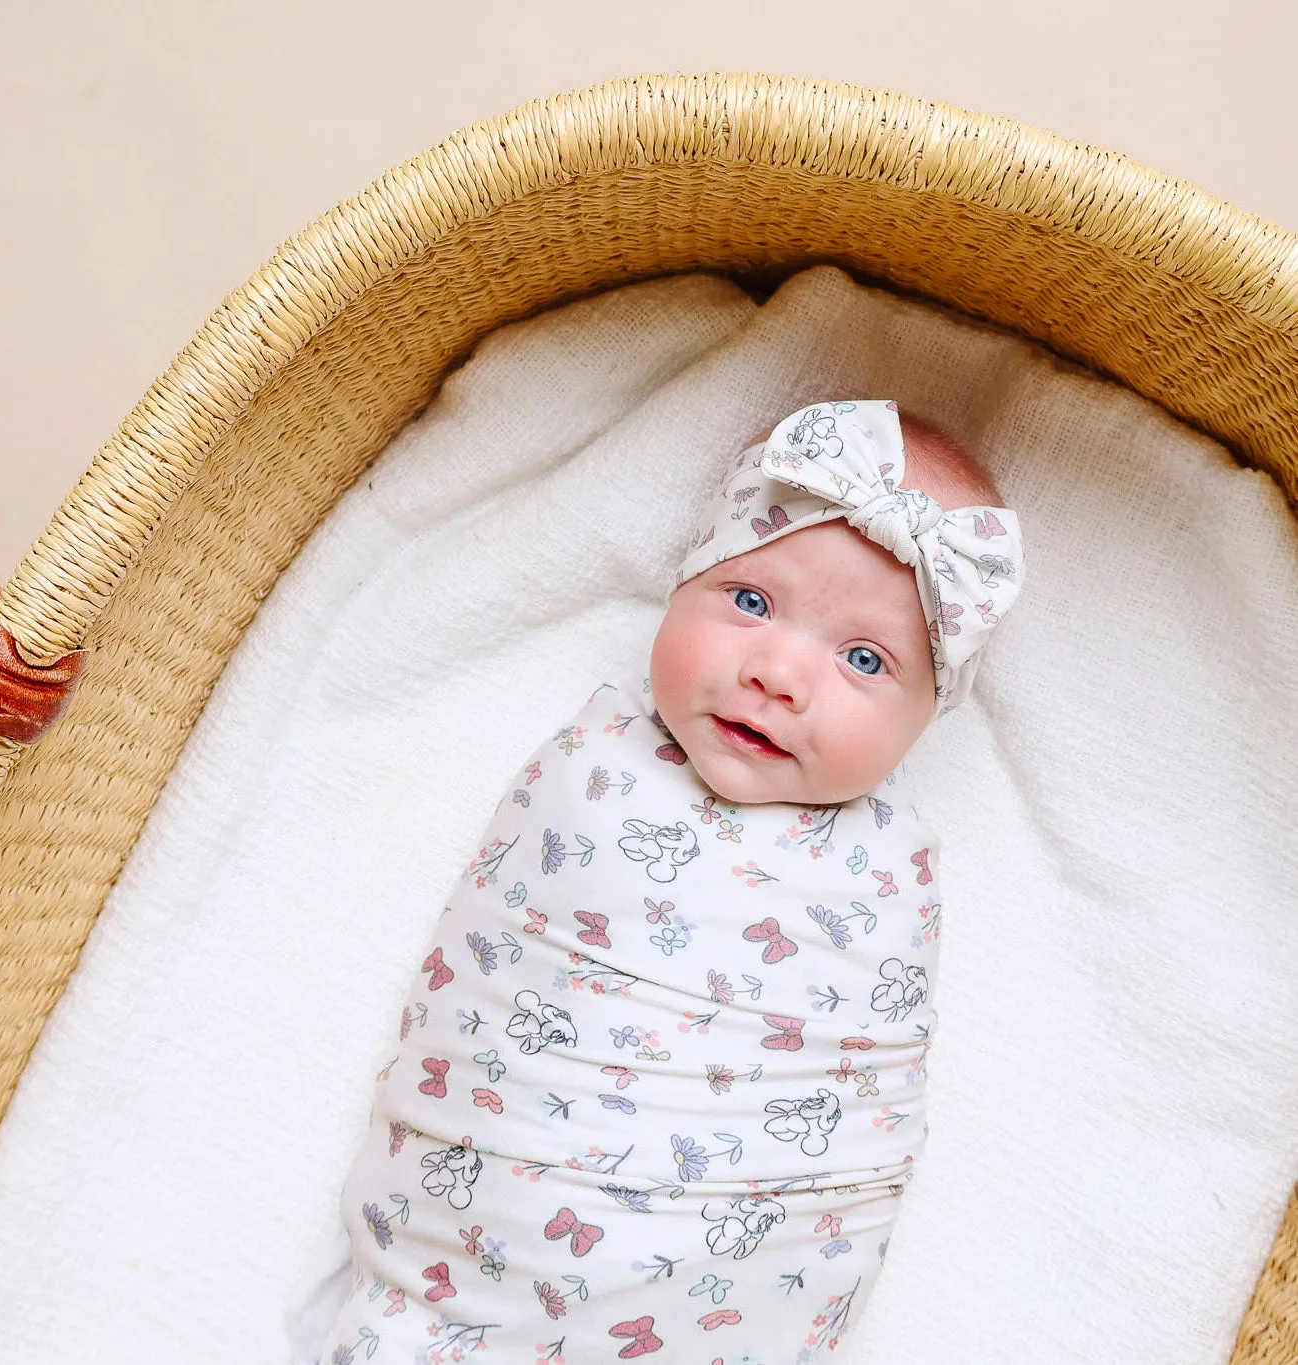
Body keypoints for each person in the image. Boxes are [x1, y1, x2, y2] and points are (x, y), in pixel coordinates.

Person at [318, 400, 1026, 1364]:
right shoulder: (597, 764)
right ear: (682, 583)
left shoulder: (890, 867)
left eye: (864, 659)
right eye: (749, 602)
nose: (778, 672)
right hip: (483, 1241)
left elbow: (864, 1082)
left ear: (926, 714)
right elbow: (490, 975)